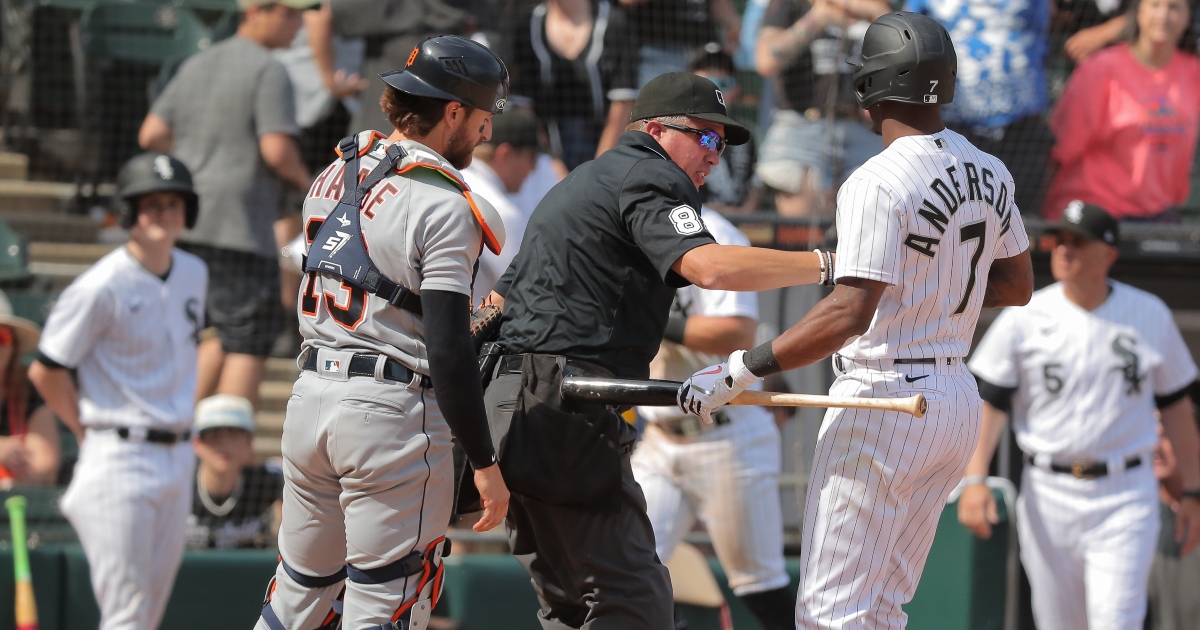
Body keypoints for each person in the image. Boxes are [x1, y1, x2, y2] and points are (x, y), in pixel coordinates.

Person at [677, 13, 1035, 628]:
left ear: (870, 89)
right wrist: (930, 291)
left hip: (884, 400)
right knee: (881, 609)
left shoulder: (876, 179)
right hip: (953, 402)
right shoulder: (992, 169)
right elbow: (1016, 285)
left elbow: (848, 311)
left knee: (830, 612)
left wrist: (743, 369)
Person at [483, 71, 830, 629]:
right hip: (569, 411)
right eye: (707, 137)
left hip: (518, 414)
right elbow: (710, 268)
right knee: (635, 603)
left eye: (723, 142)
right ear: (655, 130)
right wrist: (827, 264)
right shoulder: (650, 174)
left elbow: (497, 302)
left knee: (571, 606)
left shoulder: (581, 182)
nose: (715, 155)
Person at [255, 35, 512, 630]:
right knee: (385, 606)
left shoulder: (333, 172)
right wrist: (485, 461)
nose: (486, 132)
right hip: (390, 416)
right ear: (452, 111)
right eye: (481, 117)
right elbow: (448, 349)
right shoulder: (444, 202)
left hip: (309, 402)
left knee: (298, 597)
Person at [958, 202, 1200, 630]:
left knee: (1116, 620)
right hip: (1048, 492)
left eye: (1079, 242)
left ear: (1108, 254)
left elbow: (1178, 407)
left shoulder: (1150, 314)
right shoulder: (1025, 316)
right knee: (1058, 623)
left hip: (1125, 492)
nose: (1064, 250)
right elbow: (989, 401)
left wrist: (1195, 491)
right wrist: (974, 480)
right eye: (1060, 240)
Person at [29, 153, 207, 630]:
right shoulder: (100, 284)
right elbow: (46, 370)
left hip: (177, 452)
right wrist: (83, 431)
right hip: (118, 455)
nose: (163, 213)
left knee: (147, 614)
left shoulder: (194, 272)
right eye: (150, 203)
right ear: (128, 211)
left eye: (173, 202)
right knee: (126, 614)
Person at [138, 0, 314, 410]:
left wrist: (195, 160)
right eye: (289, 15)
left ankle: (182, 430)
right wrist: (310, 183)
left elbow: (151, 134)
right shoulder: (269, 70)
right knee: (247, 339)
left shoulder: (196, 63)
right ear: (255, 12)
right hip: (241, 229)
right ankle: (231, 449)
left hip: (188, 224)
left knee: (213, 332)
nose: (298, 26)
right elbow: (277, 151)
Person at [631, 207, 794, 630]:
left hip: (726, 434)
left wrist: (653, 321)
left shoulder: (718, 234)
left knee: (760, 587)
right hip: (660, 440)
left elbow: (736, 333)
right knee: (626, 567)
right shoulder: (627, 225)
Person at [1043, 0, 1199, 222]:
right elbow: (1060, 150)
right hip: (1096, 211)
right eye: (1155, 5)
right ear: (1137, 12)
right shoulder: (1100, 69)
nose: (1163, 16)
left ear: (1188, 17)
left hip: (1158, 213)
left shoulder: (1192, 72)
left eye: (1174, 7)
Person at [906, 0, 1054, 215]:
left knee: (1019, 219)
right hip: (950, 127)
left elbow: (1043, 25)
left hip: (1020, 128)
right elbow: (910, 37)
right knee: (949, 216)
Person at [754, 0, 889, 217]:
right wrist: (818, 18)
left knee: (872, 222)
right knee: (799, 231)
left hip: (862, 128)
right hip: (802, 125)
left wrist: (878, 13)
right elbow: (766, 61)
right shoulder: (791, 5)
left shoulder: (875, 4)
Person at [509, 0, 639, 169]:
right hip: (546, 157)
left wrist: (597, 170)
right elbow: (524, 107)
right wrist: (552, 165)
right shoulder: (529, 24)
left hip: (604, 154)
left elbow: (623, 103)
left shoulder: (613, 21)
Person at [462, 109, 542, 304]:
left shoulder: (455, 176)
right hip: (466, 326)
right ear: (505, 154)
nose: (534, 168)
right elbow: (525, 294)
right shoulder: (501, 211)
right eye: (532, 157)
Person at [187, 395, 284, 550]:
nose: (224, 444)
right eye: (215, 435)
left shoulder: (265, 482)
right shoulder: (180, 485)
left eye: (234, 434)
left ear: (249, 442)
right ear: (198, 444)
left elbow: (299, 478)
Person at [687, 45, 762, 215]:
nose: (716, 91)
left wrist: (744, 213)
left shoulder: (746, 133)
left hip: (740, 223)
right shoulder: (682, 131)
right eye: (707, 83)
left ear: (736, 90)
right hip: (696, 220)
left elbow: (756, 182)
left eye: (724, 84)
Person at [0, 290, 58, 487]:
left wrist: (23, 472)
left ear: (13, 347)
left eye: (0, 338)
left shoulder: (27, 390)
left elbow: (45, 466)